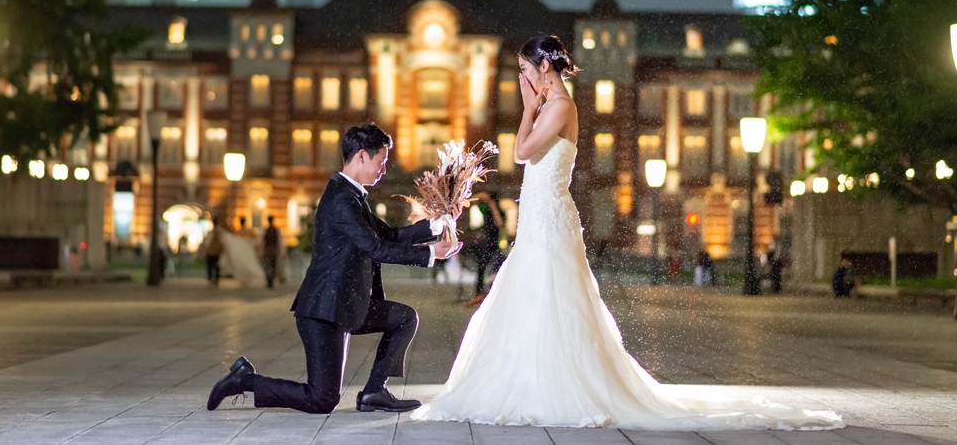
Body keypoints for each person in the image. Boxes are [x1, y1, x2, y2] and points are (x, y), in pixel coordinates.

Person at [412, 35, 843, 431]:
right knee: (530, 296)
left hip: (550, 220)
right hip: (541, 218)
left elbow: (522, 151)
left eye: (525, 70)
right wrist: (530, 109)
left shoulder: (560, 106)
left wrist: (527, 108)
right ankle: (530, 377)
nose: (523, 80)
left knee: (553, 297)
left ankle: (556, 385)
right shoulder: (550, 107)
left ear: (544, 67)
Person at [207, 123, 462, 414]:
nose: (384, 168)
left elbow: (388, 236)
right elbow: (375, 248)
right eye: (382, 161)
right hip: (324, 312)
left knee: (403, 318)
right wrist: (431, 254)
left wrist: (438, 224)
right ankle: (245, 380)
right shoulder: (341, 199)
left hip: (347, 304)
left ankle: (374, 392)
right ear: (362, 156)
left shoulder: (352, 195)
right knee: (322, 400)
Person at [262, 216, 284, 288]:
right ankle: (270, 279)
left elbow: (263, 241)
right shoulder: (274, 230)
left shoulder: (267, 230)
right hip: (273, 250)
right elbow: (279, 241)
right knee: (272, 266)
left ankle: (270, 280)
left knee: (269, 266)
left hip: (269, 250)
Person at [204, 218, 224, 286]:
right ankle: (215, 279)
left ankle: (212, 279)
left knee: (211, 266)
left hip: (212, 251)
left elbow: (209, 241)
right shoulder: (218, 231)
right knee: (215, 265)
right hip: (215, 251)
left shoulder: (215, 231)